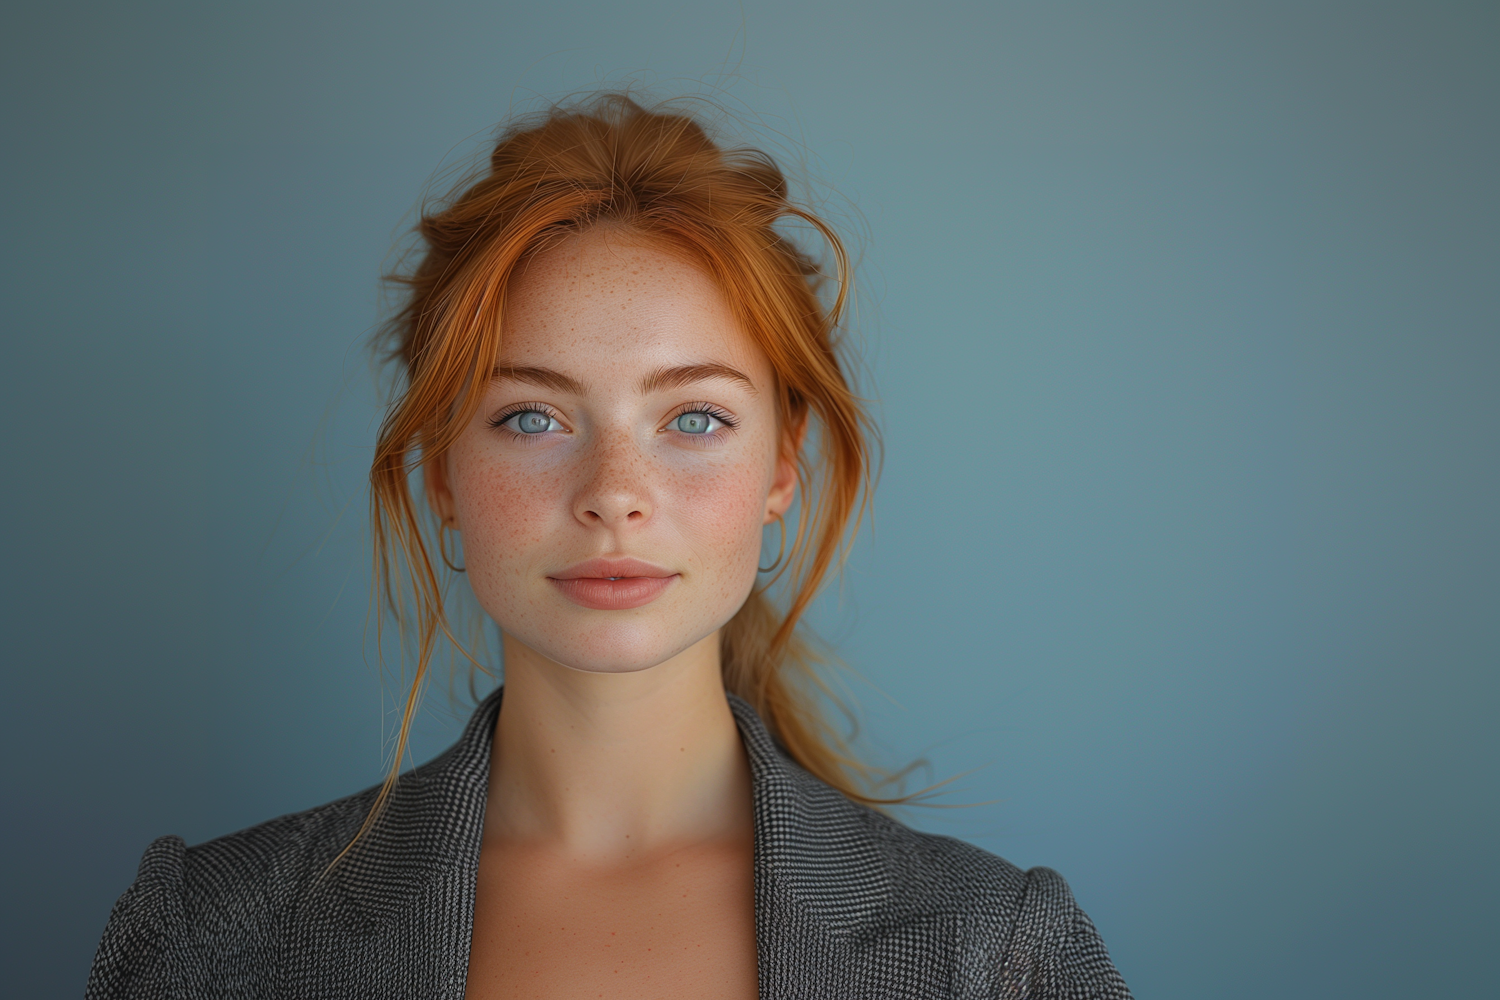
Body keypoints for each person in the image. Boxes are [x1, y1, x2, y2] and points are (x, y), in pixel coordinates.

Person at [87, 94, 1132, 999]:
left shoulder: (996, 950)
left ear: (782, 469)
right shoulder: (208, 939)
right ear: (442, 472)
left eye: (694, 419)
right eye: (533, 418)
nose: (614, 498)